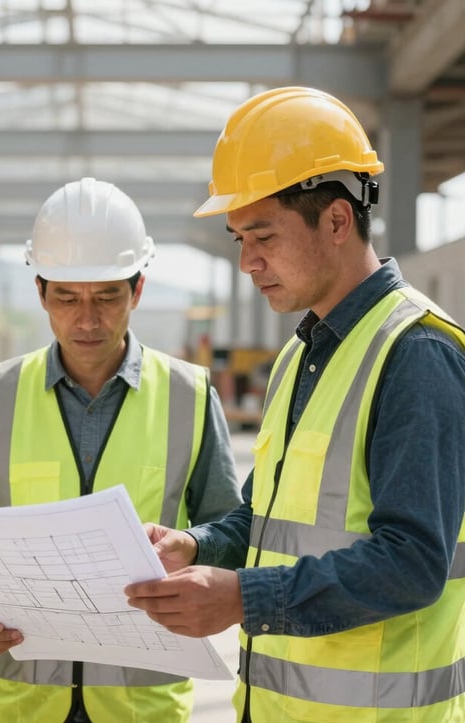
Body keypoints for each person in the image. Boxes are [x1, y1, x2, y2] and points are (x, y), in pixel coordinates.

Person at [125, 86, 465, 722]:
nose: (249, 261)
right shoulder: (300, 355)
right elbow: (266, 519)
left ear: (337, 220)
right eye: (239, 240)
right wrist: (197, 547)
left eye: (263, 236)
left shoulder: (417, 356)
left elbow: (414, 562)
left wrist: (243, 599)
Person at [0, 177, 241, 723]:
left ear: (138, 290)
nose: (87, 320)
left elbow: (230, 532)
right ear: (40, 293)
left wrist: (191, 545)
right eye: (67, 298)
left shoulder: (189, 397)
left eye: (107, 297)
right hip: (24, 703)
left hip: (143, 705)